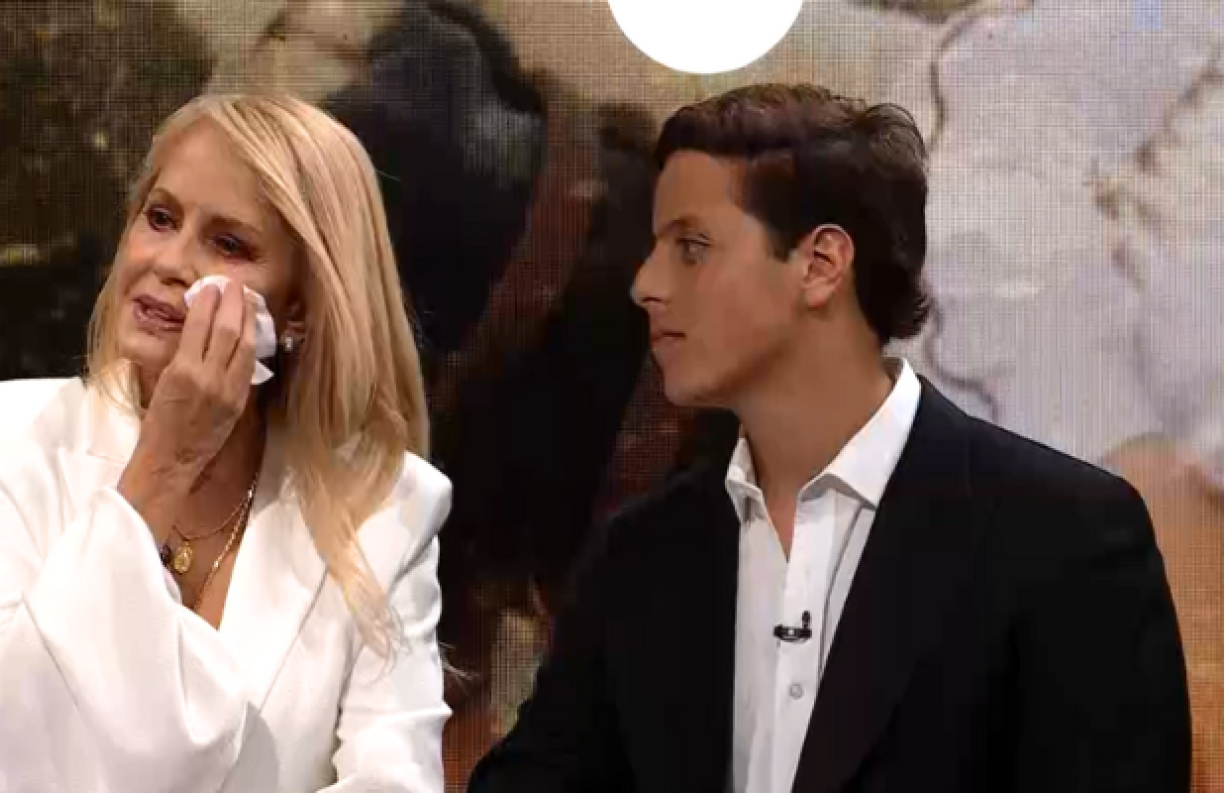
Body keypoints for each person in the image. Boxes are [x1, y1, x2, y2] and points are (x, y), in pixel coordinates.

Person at [467, 84, 1192, 793]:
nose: (648, 284)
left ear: (820, 265)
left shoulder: (1068, 540)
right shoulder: (638, 555)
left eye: (690, 247)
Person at [0, 93, 451, 792]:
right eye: (160, 217)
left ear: (297, 310)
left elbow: (394, 782)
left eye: (228, 244)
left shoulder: (388, 504)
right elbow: (14, 732)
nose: (169, 261)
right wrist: (165, 460)